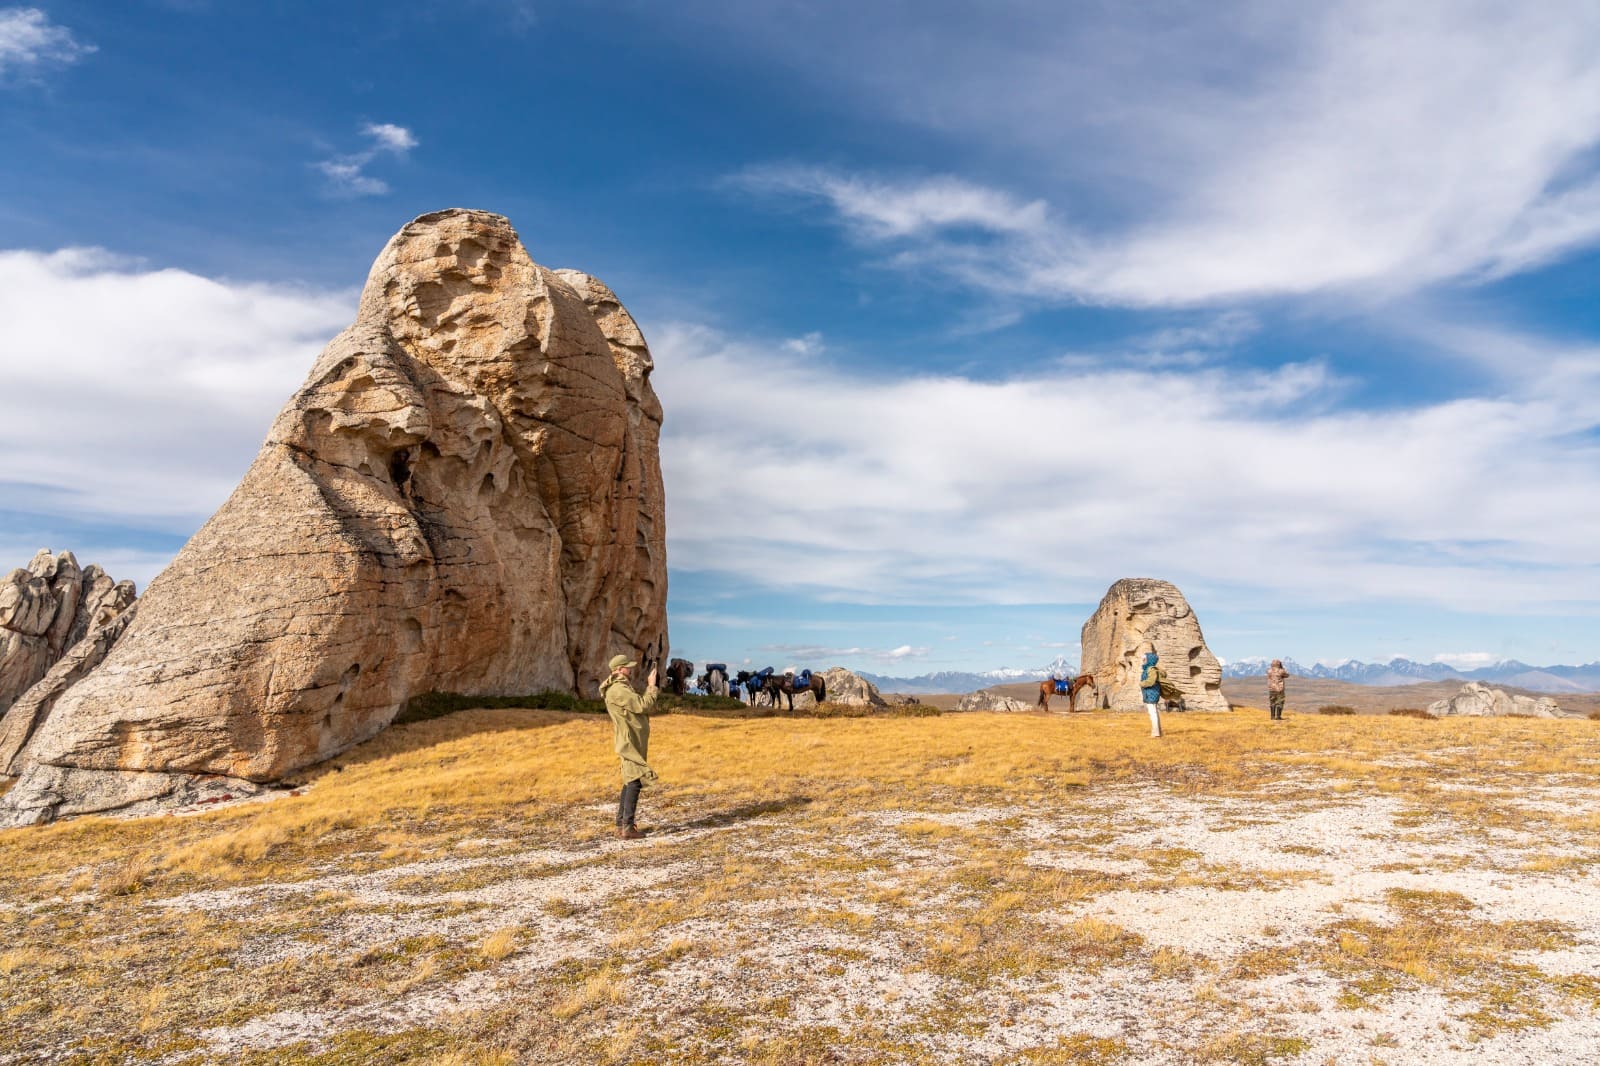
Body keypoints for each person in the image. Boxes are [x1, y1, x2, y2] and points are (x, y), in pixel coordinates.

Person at [601, 652, 659, 840]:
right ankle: (628, 827)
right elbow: (642, 705)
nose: (631, 669)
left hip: (629, 738)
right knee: (634, 781)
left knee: (629, 779)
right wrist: (652, 686)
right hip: (630, 741)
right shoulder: (619, 690)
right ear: (619, 669)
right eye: (628, 666)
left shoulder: (619, 687)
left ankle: (621, 824)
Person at [1139, 649, 1164, 738]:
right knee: (1154, 712)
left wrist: (1141, 683)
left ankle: (1155, 733)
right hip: (1150, 693)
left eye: (1144, 659)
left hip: (1151, 693)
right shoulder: (1148, 669)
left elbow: (1151, 681)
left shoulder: (1151, 669)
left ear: (1149, 660)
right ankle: (1158, 732)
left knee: (1153, 713)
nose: (1143, 661)